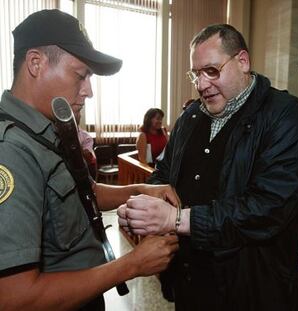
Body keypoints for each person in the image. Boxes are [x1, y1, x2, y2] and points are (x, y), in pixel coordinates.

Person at [118, 24, 298, 310]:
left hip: (252, 289)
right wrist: (141, 206)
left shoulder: (287, 117)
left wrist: (176, 220)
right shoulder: (189, 117)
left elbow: (269, 207)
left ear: (242, 62)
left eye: (211, 71)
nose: (201, 85)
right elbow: (164, 175)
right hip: (190, 281)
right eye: (196, 74)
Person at [0, 9, 179, 311]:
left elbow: (83, 191)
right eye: (80, 75)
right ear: (35, 63)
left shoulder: (46, 130)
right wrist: (131, 265)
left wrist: (139, 190)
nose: (89, 91)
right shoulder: (12, 150)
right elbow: (15, 298)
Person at [74, 106, 97, 178]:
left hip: (83, 171)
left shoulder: (86, 136)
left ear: (79, 116)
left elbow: (88, 158)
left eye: (76, 112)